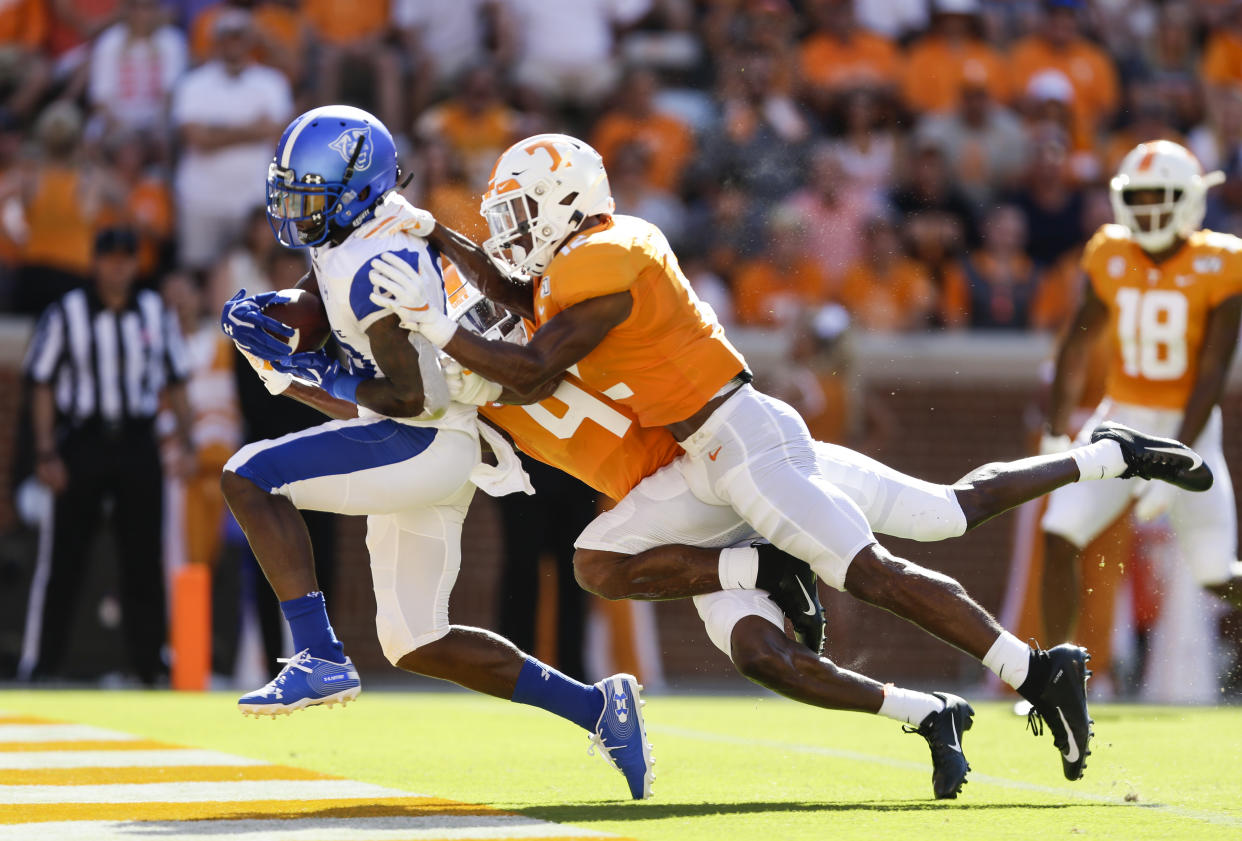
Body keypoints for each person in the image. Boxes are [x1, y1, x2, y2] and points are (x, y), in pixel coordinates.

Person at [368, 133, 1214, 796]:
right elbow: (525, 309)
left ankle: (1036, 668)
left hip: (740, 443)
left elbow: (535, 363)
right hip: (715, 453)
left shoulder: (609, 251)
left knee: (877, 570)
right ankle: (1107, 455)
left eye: (521, 214)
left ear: (566, 202)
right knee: (940, 512)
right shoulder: (579, 263)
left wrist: (435, 324)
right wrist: (439, 236)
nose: (511, 234)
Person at [217, 105, 659, 801]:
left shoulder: (377, 265)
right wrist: (269, 317)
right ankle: (600, 708)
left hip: (422, 437)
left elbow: (412, 395)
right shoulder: (359, 225)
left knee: (248, 476)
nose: (296, 213)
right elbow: (321, 295)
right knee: (415, 639)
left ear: (352, 188)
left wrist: (307, 373)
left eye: (309, 196)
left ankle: (317, 651)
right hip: (430, 441)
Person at [1040, 139, 1242, 644]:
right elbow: (1074, 345)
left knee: (1218, 575)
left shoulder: (1221, 261)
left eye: (1161, 196)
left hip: (1189, 425)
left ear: (1190, 198)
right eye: (1140, 197)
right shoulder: (1109, 251)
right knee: (1059, 535)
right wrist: (1053, 431)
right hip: (1120, 422)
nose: (1149, 209)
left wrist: (1176, 459)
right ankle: (1047, 679)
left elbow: (1213, 371)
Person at [19, 226, 194, 685]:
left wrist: (187, 442)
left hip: (138, 441)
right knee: (64, 556)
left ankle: (150, 664)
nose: (118, 266)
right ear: (95, 262)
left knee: (143, 555)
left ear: (136, 263)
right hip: (83, 440)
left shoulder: (155, 312)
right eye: (110, 257)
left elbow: (176, 382)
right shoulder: (67, 313)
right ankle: (42, 662)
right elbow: (41, 381)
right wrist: (45, 450)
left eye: (126, 258)